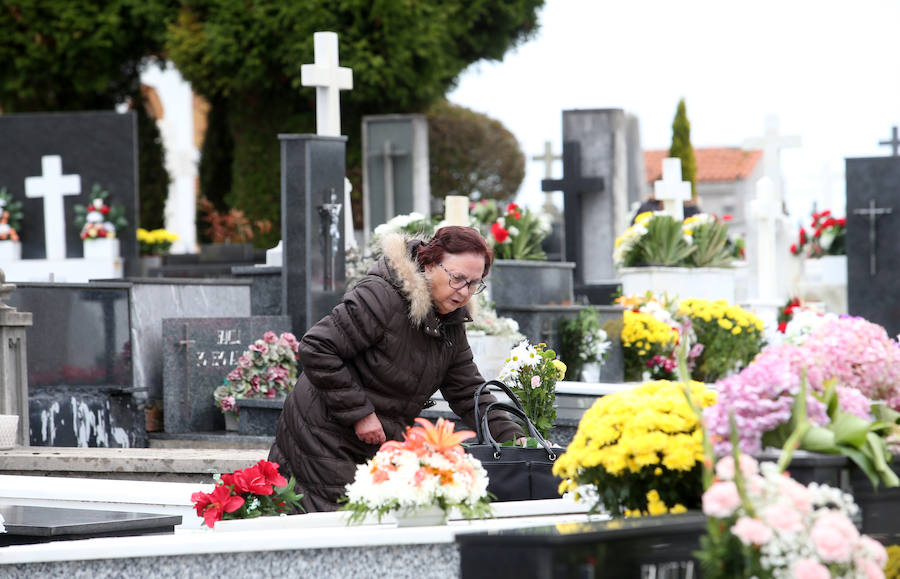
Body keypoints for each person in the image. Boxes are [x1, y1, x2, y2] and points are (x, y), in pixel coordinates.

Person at [268, 225, 526, 512]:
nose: (465, 292)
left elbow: (468, 390)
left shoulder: (449, 322)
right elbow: (317, 347)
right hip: (322, 434)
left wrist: (515, 438)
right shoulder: (381, 297)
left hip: (379, 443)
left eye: (475, 283)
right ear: (429, 264)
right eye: (458, 278)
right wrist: (360, 414)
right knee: (340, 527)